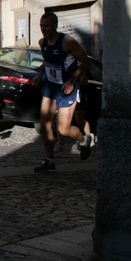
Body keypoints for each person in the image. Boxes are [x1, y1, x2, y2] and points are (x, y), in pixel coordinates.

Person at [33, 12, 94, 172]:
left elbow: (86, 62)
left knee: (63, 130)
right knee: (44, 123)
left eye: (46, 26)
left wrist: (72, 80)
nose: (43, 29)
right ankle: (49, 160)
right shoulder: (42, 42)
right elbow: (47, 60)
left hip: (68, 88)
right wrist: (40, 74)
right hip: (51, 87)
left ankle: (83, 140)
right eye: (41, 25)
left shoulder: (67, 42)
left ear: (54, 26)